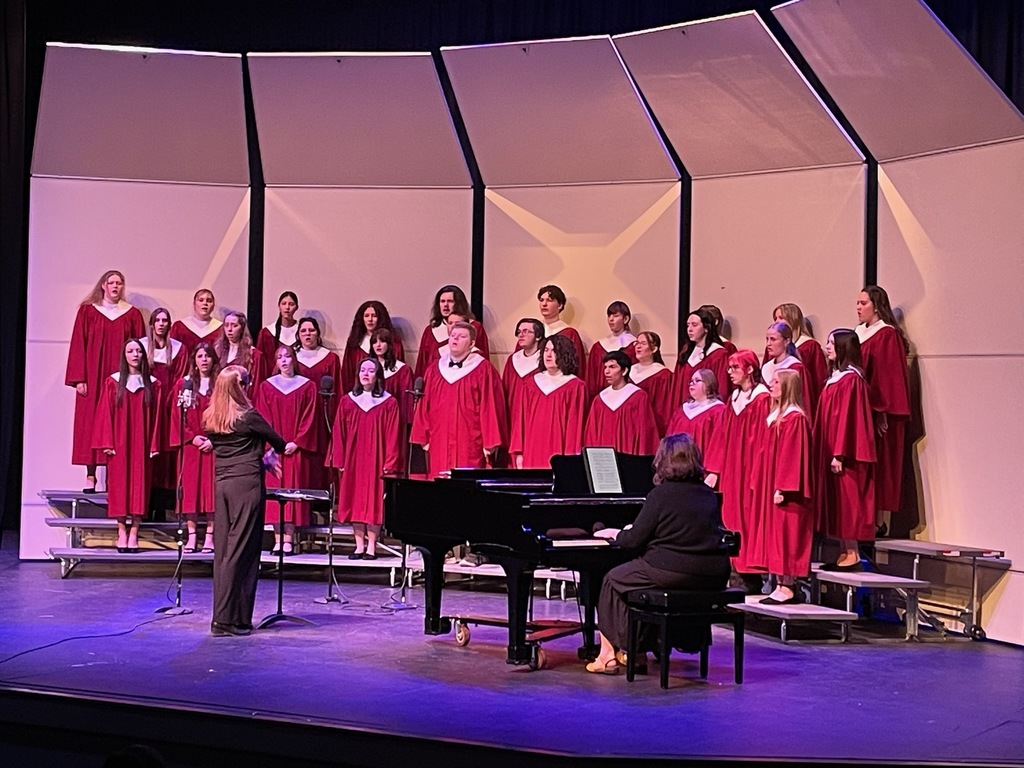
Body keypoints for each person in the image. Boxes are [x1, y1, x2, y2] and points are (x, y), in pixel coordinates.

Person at [587, 434, 731, 674]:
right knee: (634, 579)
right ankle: (638, 652)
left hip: (673, 570)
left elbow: (633, 540)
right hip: (713, 572)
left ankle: (608, 656)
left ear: (663, 461)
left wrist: (614, 534)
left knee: (612, 580)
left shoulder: (660, 495)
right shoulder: (707, 494)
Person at [204, 365, 286, 636]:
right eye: (247, 383)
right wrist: (268, 457)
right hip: (246, 486)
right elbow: (279, 442)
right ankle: (224, 620)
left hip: (222, 485)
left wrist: (260, 456)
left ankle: (237, 617)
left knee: (225, 551)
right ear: (240, 387)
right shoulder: (248, 416)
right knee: (242, 551)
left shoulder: (212, 417)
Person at [65, 270, 145, 493]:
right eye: (111, 283)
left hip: (122, 378)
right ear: (103, 285)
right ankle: (91, 476)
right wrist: (79, 378)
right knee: (91, 424)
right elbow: (78, 344)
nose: (115, 287)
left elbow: (138, 349)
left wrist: (136, 377)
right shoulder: (88, 312)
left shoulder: (132, 315)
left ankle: (115, 477)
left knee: (119, 423)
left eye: (120, 283)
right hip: (93, 376)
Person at [702, 350, 770, 589]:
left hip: (752, 467)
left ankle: (751, 573)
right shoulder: (733, 399)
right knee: (731, 516)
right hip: (732, 467)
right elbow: (722, 436)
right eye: (729, 368)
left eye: (735, 368)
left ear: (750, 369)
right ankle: (734, 570)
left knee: (750, 517)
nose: (729, 373)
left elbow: (765, 439)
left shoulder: (763, 399)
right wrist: (714, 470)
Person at [814, 329, 877, 570]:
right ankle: (844, 549)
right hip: (831, 450)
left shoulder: (852, 380)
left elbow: (850, 420)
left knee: (848, 502)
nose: (827, 346)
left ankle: (852, 552)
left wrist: (839, 452)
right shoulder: (836, 378)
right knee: (838, 503)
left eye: (831, 343)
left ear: (843, 347)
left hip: (845, 456)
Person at [749, 369, 813, 605]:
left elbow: (792, 457)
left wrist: (783, 488)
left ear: (788, 387)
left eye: (777, 382)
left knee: (787, 533)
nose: (771, 385)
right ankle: (779, 583)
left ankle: (788, 585)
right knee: (776, 534)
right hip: (771, 484)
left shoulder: (795, 418)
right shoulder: (776, 415)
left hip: (786, 490)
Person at [411, 321, 507, 478]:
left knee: (466, 488)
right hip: (439, 441)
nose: (455, 339)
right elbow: (424, 407)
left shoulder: (484, 369)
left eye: (462, 336)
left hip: (470, 442)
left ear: (472, 343)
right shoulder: (434, 369)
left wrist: (489, 443)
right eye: (453, 336)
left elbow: (491, 407)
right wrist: (424, 437)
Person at [93, 339, 162, 552]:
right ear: (124, 355)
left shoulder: (152, 383)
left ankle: (134, 532)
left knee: (139, 486)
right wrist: (107, 442)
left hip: (142, 444)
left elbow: (158, 418)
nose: (134, 355)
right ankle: (121, 530)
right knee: (120, 487)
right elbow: (105, 414)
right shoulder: (113, 382)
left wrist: (154, 443)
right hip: (119, 445)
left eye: (138, 351)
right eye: (130, 351)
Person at [329, 358, 401, 560]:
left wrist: (390, 463)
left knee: (373, 502)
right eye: (362, 370)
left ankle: (371, 546)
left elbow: (394, 436)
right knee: (354, 500)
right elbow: (339, 433)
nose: (365, 374)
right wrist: (340, 460)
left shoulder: (389, 402)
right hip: (353, 460)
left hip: (377, 461)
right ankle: (358, 545)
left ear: (378, 375)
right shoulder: (347, 401)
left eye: (370, 370)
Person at [855, 285, 911, 537]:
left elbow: (889, 378)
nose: (858, 307)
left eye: (863, 303)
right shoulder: (858, 334)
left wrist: (882, 412)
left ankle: (877, 521)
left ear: (877, 306)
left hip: (877, 412)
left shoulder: (887, 335)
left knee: (878, 467)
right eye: (857, 303)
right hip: (858, 410)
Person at [255, 345, 319, 554]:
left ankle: (289, 540)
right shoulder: (267, 387)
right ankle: (277, 539)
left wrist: (297, 441)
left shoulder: (307, 386)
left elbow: (310, 418)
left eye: (287, 357)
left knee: (292, 491)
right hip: (274, 451)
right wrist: (274, 443)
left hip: (295, 449)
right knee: (275, 494)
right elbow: (263, 417)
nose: (284, 361)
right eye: (279, 357)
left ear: (294, 360)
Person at [170, 342, 220, 552]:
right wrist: (192, 438)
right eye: (200, 356)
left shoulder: (221, 385)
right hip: (191, 447)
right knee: (190, 491)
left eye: (208, 356)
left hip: (214, 446)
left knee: (212, 492)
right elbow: (177, 417)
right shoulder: (185, 385)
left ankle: (209, 537)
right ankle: (191, 537)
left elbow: (227, 415)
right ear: (194, 361)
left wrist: (214, 440)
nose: (204, 360)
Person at [509, 334, 587, 469]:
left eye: (554, 351)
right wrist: (519, 452)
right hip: (532, 450)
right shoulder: (530, 384)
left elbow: (575, 426)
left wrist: (569, 461)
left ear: (564, 354)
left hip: (559, 452)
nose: (548, 355)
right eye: (546, 350)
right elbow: (520, 421)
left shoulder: (575, 387)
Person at [140, 307, 188, 497]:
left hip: (169, 406)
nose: (161, 324)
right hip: (149, 405)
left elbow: (180, 379)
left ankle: (164, 497)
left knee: (167, 449)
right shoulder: (142, 347)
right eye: (157, 321)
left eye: (164, 321)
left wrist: (169, 402)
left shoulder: (178, 349)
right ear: (151, 325)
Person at [295, 316, 342, 488]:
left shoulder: (330, 359)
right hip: (299, 418)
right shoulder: (291, 359)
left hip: (323, 417)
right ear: (298, 335)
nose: (308, 334)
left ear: (318, 333)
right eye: (303, 331)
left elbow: (338, 389)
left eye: (311, 330)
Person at [583, 350, 659, 456]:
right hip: (604, 461)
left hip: (629, 458)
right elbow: (591, 435)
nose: (606, 371)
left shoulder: (638, 397)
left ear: (624, 371)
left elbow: (644, 434)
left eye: (612, 367)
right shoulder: (600, 400)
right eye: (606, 367)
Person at [414, 285, 490, 379]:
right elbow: (422, 364)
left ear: (458, 303)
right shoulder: (430, 330)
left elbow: (482, 360)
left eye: (450, 301)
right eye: (442, 301)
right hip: (436, 383)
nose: (445, 305)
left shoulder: (474, 328)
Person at [768, 303, 827, 414]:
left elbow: (818, 378)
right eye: (775, 318)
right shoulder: (773, 347)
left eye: (781, 318)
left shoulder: (809, 346)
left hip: (802, 400)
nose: (776, 322)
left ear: (793, 320)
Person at [372, 328, 414, 471]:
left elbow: (406, 402)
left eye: (382, 342)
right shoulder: (367, 369)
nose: (378, 345)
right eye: (375, 342)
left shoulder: (402, 371)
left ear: (390, 345)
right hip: (373, 423)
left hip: (395, 423)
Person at [341, 300, 405, 391]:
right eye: (366, 316)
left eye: (374, 316)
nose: (370, 319)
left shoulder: (394, 343)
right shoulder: (354, 343)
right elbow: (347, 373)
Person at [666, 368, 726, 460]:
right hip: (678, 466)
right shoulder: (681, 411)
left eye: (697, 380)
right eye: (691, 381)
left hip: (704, 466)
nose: (692, 383)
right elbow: (669, 438)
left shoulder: (718, 411)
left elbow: (719, 443)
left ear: (708, 384)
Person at [673, 309, 730, 407]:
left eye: (694, 325)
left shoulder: (718, 354)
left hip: (706, 410)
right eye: (688, 325)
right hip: (684, 409)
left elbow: (722, 388)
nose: (689, 329)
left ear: (706, 328)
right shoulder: (686, 352)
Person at [584, 301, 637, 398]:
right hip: (601, 396)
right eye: (609, 316)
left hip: (625, 396)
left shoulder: (633, 346)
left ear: (625, 319)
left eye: (616, 316)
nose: (611, 319)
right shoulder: (598, 347)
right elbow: (591, 379)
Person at [629, 331, 674, 437]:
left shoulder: (663, 375)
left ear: (654, 349)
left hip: (650, 426)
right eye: (637, 343)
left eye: (643, 343)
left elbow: (663, 408)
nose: (638, 346)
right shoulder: (629, 371)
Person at [501, 318, 544, 429]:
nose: (521, 335)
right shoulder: (513, 359)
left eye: (526, 332)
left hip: (535, 416)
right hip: (513, 416)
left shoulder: (544, 361)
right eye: (519, 332)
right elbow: (505, 388)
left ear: (538, 336)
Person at [533, 284, 586, 374]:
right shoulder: (532, 330)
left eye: (549, 300)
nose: (544, 304)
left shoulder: (569, 333)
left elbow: (577, 365)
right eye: (541, 300)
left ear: (560, 305)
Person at [214, 311, 266, 395]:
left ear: (242, 328)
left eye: (234, 325)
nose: (229, 329)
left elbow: (256, 386)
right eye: (226, 325)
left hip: (242, 401)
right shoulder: (217, 351)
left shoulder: (254, 355)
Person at [761, 320, 811, 407]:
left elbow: (804, 400)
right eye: (767, 339)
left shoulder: (796, 368)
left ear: (787, 341)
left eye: (773, 339)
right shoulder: (766, 368)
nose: (768, 344)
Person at [170, 288, 223, 355]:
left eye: (209, 301)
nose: (205, 303)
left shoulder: (221, 329)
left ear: (213, 306)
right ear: (194, 304)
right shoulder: (179, 327)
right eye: (201, 300)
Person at [255, 291, 299, 363]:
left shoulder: (302, 332)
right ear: (279, 306)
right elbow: (260, 361)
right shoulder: (266, 333)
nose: (287, 307)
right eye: (284, 304)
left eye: (291, 304)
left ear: (296, 307)